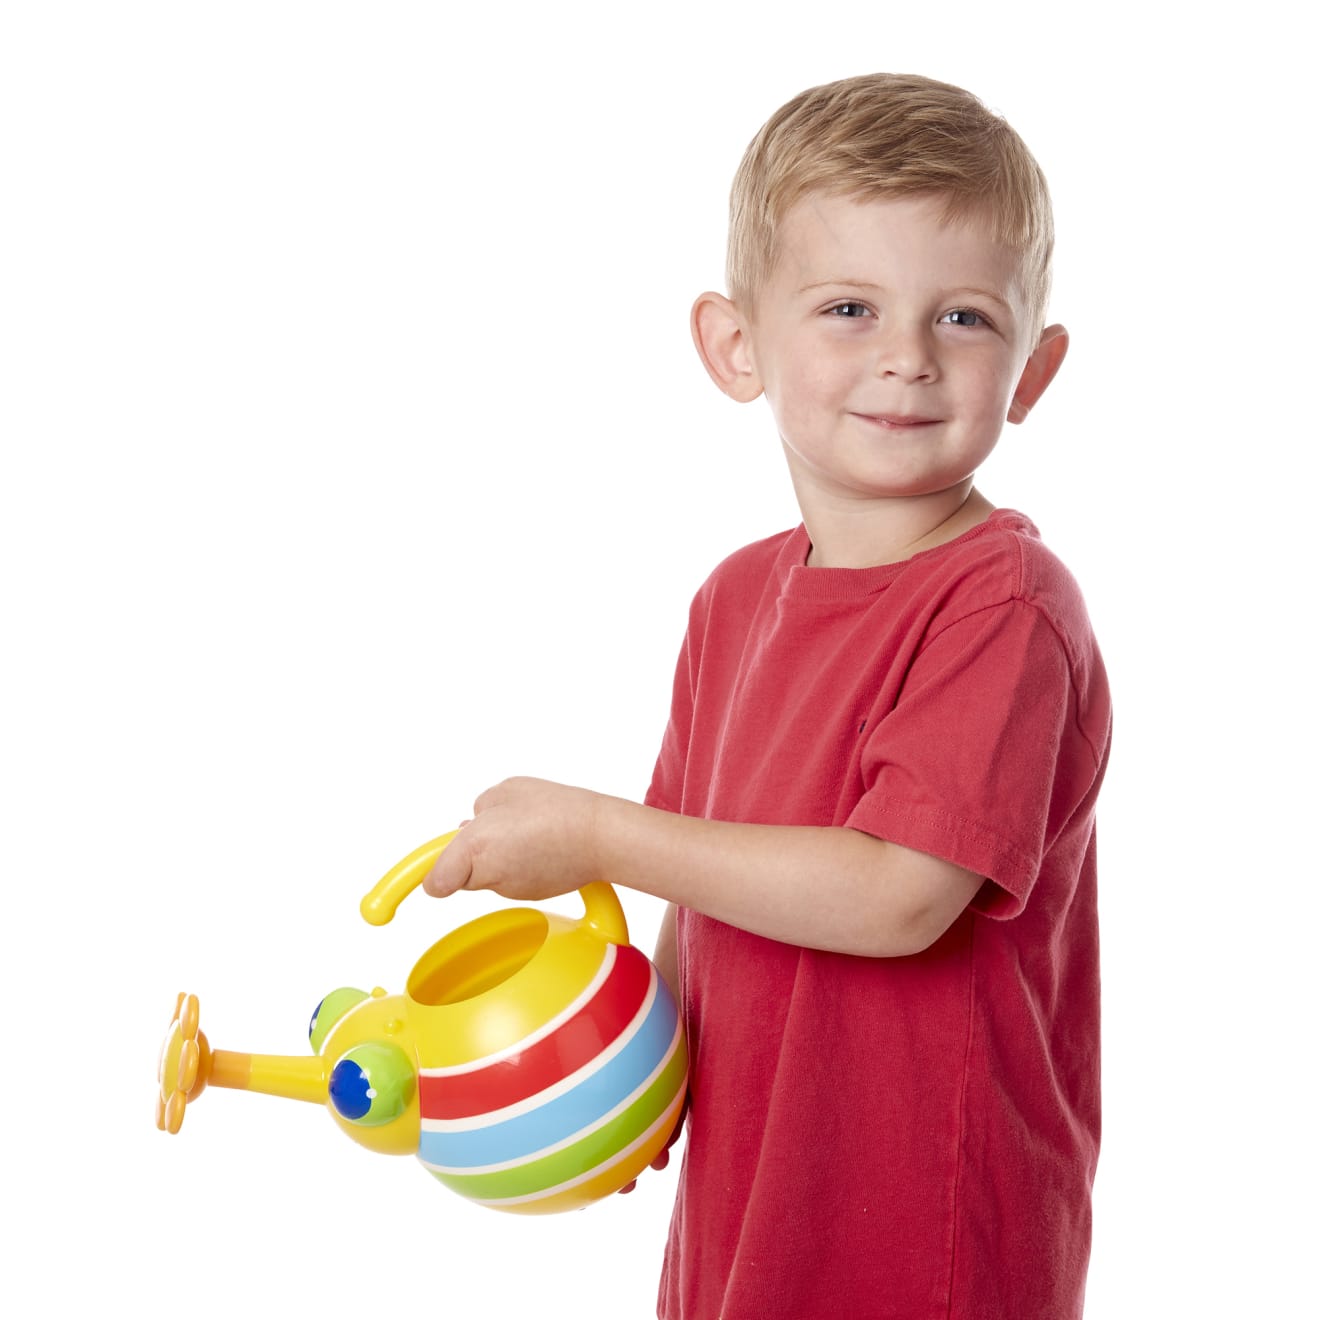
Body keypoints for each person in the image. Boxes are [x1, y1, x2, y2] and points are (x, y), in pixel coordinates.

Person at [424, 72, 1110, 1320]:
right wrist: (638, 1076)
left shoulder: (1002, 607)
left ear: (1033, 367)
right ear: (736, 346)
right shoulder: (733, 602)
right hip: (755, 1200)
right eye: (850, 307)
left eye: (962, 317)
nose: (906, 356)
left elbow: (901, 895)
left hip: (927, 1232)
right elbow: (705, 878)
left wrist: (594, 834)